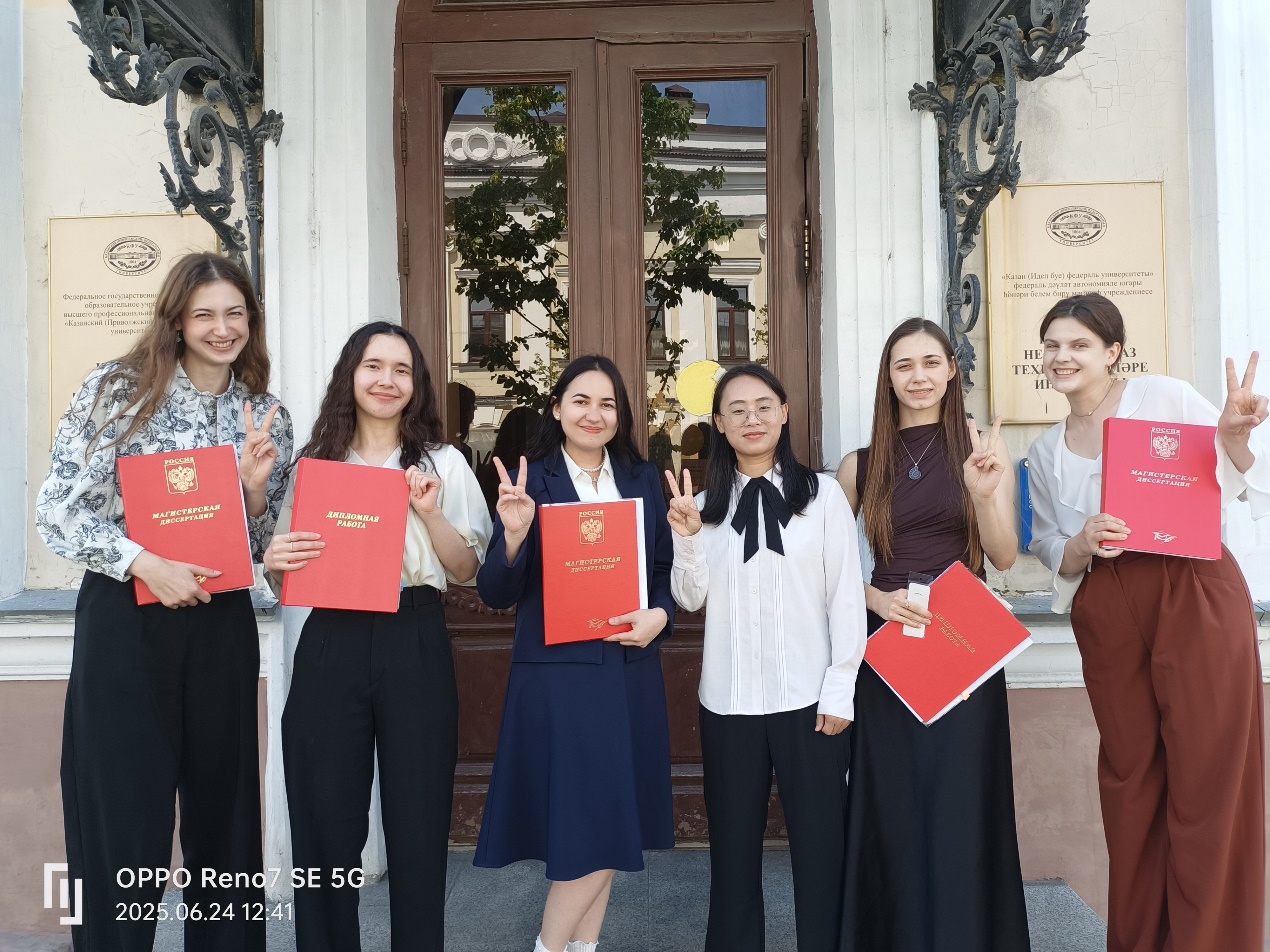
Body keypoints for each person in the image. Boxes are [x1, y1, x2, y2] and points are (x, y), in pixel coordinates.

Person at [35, 252, 292, 952]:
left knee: (225, 815)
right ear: (176, 320)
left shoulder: (264, 414)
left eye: (235, 313)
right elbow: (59, 511)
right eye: (204, 314)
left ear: (252, 320)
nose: (222, 328)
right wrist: (146, 563)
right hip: (126, 621)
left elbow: (265, 545)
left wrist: (253, 492)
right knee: (122, 815)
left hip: (221, 624)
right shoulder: (117, 391)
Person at [1026, 293, 1269, 952]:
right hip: (1109, 605)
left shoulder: (1164, 397)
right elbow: (1050, 546)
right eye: (1052, 345)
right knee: (1130, 787)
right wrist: (1081, 542)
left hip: (1193, 585)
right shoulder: (1045, 450)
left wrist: (1233, 435)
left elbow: (1233, 476)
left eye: (1079, 344)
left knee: (1209, 781)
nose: (1062, 357)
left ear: (1112, 352)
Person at [265, 321, 491, 952]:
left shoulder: (444, 463)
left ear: (416, 385)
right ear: (351, 375)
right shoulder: (315, 466)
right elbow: (282, 570)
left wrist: (429, 512)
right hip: (331, 636)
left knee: (418, 816)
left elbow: (465, 568)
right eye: (374, 366)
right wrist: (274, 560)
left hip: (413, 633)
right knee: (324, 817)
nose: (387, 380)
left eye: (401, 370)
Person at [834, 318, 1029, 952]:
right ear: (887, 378)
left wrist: (985, 494)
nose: (917, 376)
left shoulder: (981, 450)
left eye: (929, 363)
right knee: (893, 797)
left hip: (964, 644)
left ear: (951, 371)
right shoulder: (860, 465)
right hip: (887, 645)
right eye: (903, 365)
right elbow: (825, 567)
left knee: (959, 797)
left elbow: (1003, 555)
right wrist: (874, 598)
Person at [474, 355, 676, 952]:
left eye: (607, 403)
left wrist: (661, 615)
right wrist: (514, 535)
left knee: (612, 821)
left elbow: (662, 571)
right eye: (581, 401)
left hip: (629, 668)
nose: (594, 414)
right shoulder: (529, 479)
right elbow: (495, 592)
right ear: (557, 408)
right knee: (590, 824)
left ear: (621, 415)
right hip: (559, 678)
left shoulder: (641, 477)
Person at [667, 363, 866, 952]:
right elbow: (690, 599)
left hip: (810, 700)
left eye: (763, 406)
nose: (751, 418)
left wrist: (841, 688)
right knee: (732, 855)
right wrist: (687, 538)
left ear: (784, 413)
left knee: (822, 850)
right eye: (737, 410)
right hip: (728, 703)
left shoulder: (823, 497)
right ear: (719, 424)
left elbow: (845, 596)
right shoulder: (703, 505)